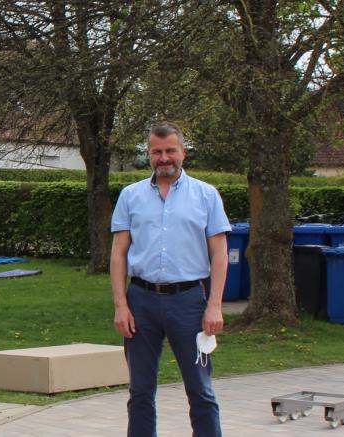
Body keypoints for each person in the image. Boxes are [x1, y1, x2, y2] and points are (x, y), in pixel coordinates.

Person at [110, 121, 229, 437]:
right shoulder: (130, 196)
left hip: (188, 303)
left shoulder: (206, 195)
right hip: (141, 302)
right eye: (157, 152)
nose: (164, 158)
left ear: (183, 152)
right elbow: (119, 254)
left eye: (170, 151)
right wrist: (121, 305)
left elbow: (219, 253)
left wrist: (214, 305)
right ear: (149, 154)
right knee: (140, 391)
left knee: (200, 390)